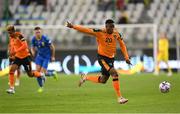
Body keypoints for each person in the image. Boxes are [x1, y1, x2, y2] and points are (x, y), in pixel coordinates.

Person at [66, 19, 131, 104]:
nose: (112, 28)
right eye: (110, 27)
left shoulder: (116, 34)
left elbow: (122, 45)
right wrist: (73, 26)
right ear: (106, 27)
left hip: (111, 59)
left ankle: (86, 77)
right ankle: (120, 97)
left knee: (103, 80)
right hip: (102, 58)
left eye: (113, 26)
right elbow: (87, 30)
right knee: (114, 74)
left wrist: (126, 57)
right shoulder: (100, 32)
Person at [6, 25, 45, 94]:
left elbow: (25, 46)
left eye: (10, 33)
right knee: (11, 71)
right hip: (18, 57)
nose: (9, 34)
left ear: (13, 31)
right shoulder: (11, 38)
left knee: (30, 74)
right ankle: (12, 88)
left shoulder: (20, 36)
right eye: (8, 33)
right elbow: (11, 46)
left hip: (25, 57)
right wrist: (11, 53)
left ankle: (40, 74)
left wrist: (15, 51)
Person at [31, 26, 57, 93]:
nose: (38, 33)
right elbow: (32, 47)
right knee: (37, 72)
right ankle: (41, 87)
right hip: (39, 56)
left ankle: (52, 73)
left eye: (39, 32)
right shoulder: (33, 39)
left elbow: (53, 47)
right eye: (36, 32)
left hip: (46, 57)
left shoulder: (45, 38)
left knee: (42, 73)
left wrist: (53, 56)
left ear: (41, 32)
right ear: (34, 33)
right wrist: (32, 52)